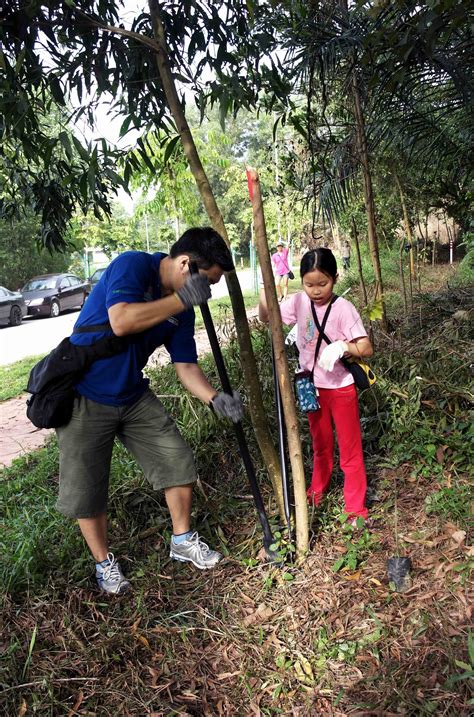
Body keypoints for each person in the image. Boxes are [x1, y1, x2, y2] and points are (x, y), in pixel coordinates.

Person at [56, 227, 243, 594]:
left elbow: (186, 366)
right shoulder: (133, 266)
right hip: (85, 394)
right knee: (87, 487)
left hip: (132, 395)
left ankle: (182, 540)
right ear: (185, 264)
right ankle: (104, 564)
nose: (207, 293)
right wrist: (182, 299)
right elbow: (121, 321)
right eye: (207, 282)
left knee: (177, 460)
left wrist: (215, 398)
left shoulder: (182, 310)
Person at [259, 247, 373, 523]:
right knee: (320, 444)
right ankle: (316, 492)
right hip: (310, 386)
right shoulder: (299, 302)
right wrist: (265, 288)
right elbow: (267, 317)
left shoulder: (343, 308)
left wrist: (344, 346)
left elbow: (366, 347)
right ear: (301, 282)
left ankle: (355, 508)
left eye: (323, 283)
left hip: (341, 388)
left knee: (350, 450)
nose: (316, 290)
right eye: (309, 284)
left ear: (335, 278)